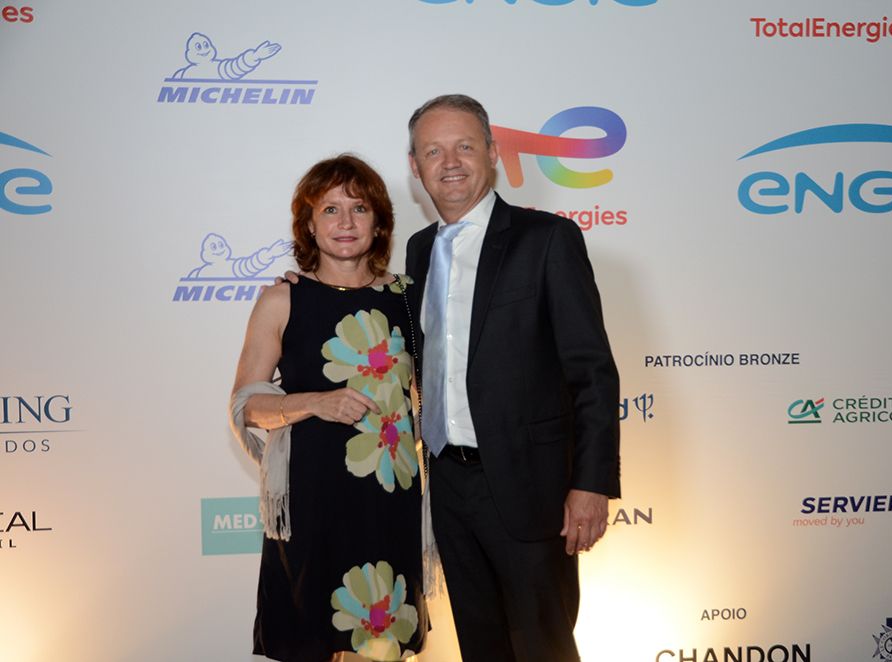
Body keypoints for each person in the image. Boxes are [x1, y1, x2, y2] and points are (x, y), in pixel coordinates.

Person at [406, 94, 621, 662]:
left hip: (532, 489)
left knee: (543, 648)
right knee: (481, 648)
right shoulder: (419, 251)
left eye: (464, 146)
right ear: (415, 166)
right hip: (448, 487)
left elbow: (592, 372)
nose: (450, 162)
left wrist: (591, 484)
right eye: (433, 151)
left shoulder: (546, 239)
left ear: (493, 153)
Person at [230, 154, 428, 662]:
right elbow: (247, 406)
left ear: (379, 223)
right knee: (312, 638)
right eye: (330, 209)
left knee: (381, 644)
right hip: (313, 498)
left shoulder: (407, 298)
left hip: (389, 496)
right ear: (309, 224)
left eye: (359, 208)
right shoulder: (283, 300)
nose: (345, 222)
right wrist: (316, 402)